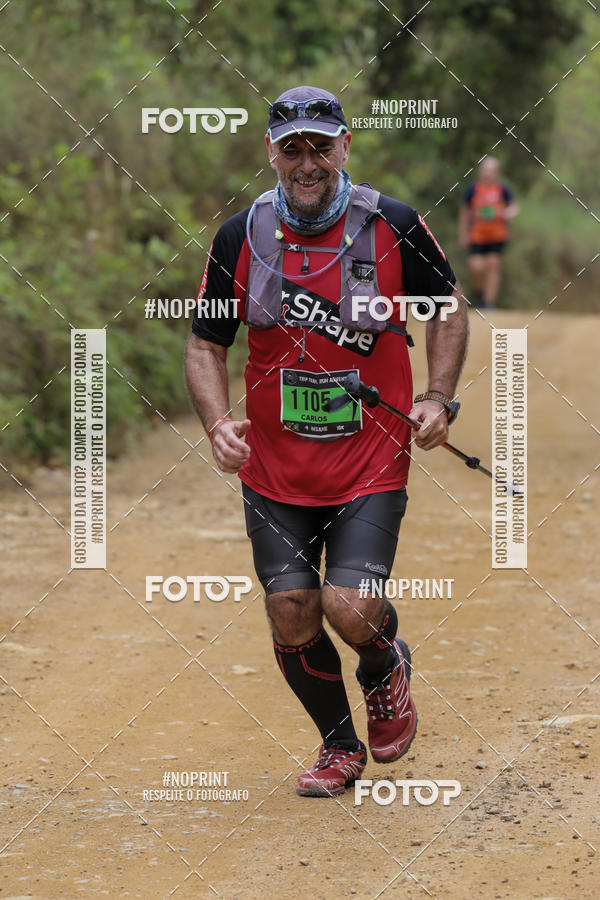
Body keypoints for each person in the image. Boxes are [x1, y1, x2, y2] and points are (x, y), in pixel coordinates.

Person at [184, 86, 468, 798]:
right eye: (292, 148)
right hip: (275, 468)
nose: (306, 161)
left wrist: (436, 397)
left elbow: (448, 309)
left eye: (321, 145)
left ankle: (383, 664)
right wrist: (218, 424)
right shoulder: (238, 237)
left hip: (370, 459)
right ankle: (339, 748)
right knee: (291, 611)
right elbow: (203, 345)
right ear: (271, 155)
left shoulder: (393, 224)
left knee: (349, 607)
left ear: (346, 147)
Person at [459, 156, 519, 309]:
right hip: (477, 234)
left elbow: (514, 207)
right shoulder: (473, 190)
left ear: (497, 173)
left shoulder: (503, 189)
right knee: (476, 266)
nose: (488, 173)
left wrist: (507, 213)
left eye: (491, 170)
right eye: (485, 170)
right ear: (480, 171)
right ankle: (479, 294)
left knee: (493, 263)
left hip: (497, 235)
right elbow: (465, 213)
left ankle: (488, 303)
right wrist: (463, 234)